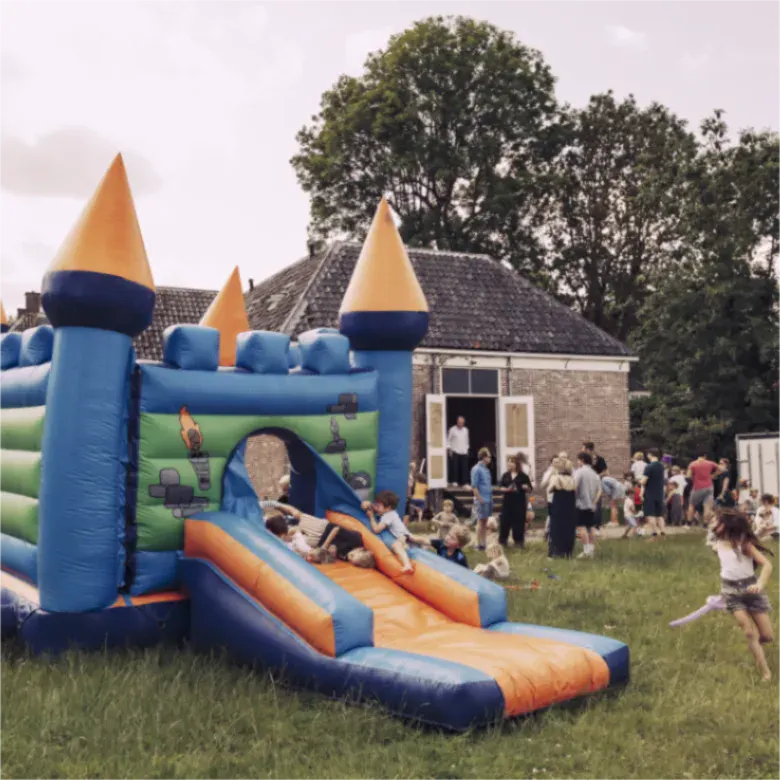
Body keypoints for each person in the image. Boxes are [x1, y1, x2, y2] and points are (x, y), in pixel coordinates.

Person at [710, 508, 774, 681]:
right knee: (749, 633)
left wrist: (759, 584)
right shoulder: (717, 543)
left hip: (751, 589)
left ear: (727, 525)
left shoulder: (744, 545)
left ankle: (756, 648)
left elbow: (767, 565)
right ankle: (766, 672)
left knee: (767, 636)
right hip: (730, 591)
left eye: (717, 521)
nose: (713, 523)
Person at [363, 491, 427, 574]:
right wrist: (369, 505)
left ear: (388, 507)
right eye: (376, 505)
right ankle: (428, 543)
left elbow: (376, 530)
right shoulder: (390, 512)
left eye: (378, 506)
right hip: (404, 532)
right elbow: (372, 507)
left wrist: (371, 517)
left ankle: (407, 565)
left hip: (401, 535)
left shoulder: (388, 516)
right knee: (415, 538)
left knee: (396, 546)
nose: (376, 508)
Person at [499, 454, 532, 548]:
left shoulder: (523, 476)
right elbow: (501, 487)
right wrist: (505, 489)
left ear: (517, 464)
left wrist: (526, 487)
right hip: (507, 502)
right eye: (509, 462)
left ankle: (518, 542)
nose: (510, 464)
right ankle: (503, 541)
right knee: (505, 521)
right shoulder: (505, 475)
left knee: (518, 522)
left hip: (519, 503)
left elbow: (530, 489)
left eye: (512, 462)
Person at [547, 458, 577, 558]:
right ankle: (568, 551)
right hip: (569, 507)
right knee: (568, 529)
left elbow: (550, 489)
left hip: (558, 506)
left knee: (556, 528)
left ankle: (556, 551)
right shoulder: (573, 480)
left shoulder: (557, 478)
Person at [574, 452, 602, 559]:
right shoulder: (594, 474)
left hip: (580, 504)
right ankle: (591, 550)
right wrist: (594, 502)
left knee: (581, 527)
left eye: (578, 460)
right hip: (592, 504)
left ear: (581, 460)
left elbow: (575, 486)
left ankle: (586, 550)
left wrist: (574, 498)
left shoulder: (579, 472)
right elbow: (599, 490)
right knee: (592, 527)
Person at [687, 453, 721, 525]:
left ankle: (689, 522)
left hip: (697, 487)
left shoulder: (693, 464)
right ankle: (705, 523)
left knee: (692, 505)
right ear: (705, 456)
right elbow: (720, 469)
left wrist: (693, 478)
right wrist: (713, 475)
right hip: (709, 486)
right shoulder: (710, 463)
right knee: (707, 506)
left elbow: (688, 476)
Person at [471, 448, 493, 551]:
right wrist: (479, 499)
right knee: (480, 521)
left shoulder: (486, 469)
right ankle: (477, 543)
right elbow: (474, 486)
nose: (490, 458)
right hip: (481, 499)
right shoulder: (476, 469)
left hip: (488, 498)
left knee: (485, 521)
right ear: (484, 457)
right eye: (488, 456)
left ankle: (483, 543)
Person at [641, 449, 666, 538]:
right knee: (659, 515)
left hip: (650, 493)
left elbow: (644, 481)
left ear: (650, 454)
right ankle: (663, 533)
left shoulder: (649, 467)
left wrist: (640, 481)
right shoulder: (661, 466)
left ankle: (654, 534)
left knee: (650, 514)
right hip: (659, 493)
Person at [447, 416, 470, 487]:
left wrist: (467, 449)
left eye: (462, 423)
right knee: (455, 467)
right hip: (455, 450)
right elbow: (448, 440)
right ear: (457, 422)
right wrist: (449, 449)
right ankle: (454, 481)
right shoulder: (452, 429)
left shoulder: (466, 430)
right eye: (459, 422)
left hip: (463, 451)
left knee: (464, 467)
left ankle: (464, 482)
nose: (460, 424)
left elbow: (467, 440)